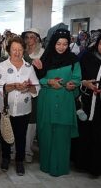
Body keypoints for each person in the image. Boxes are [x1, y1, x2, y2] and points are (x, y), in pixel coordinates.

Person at [36, 28, 81, 177]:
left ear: (69, 44)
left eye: (65, 44)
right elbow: (37, 79)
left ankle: (60, 167)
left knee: (62, 135)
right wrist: (48, 82)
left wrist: (72, 84)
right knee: (46, 134)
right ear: (53, 43)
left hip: (65, 101)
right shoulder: (45, 59)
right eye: (58, 44)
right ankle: (46, 165)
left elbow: (77, 78)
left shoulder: (74, 60)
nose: (61, 47)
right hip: (47, 101)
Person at [0, 36, 40, 176]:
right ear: (9, 50)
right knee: (5, 134)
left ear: (24, 51)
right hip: (5, 109)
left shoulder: (29, 67)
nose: (17, 52)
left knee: (21, 136)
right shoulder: (2, 66)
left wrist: (28, 88)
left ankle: (19, 161)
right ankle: (5, 158)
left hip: (23, 109)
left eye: (20, 49)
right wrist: (14, 86)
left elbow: (37, 87)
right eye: (14, 49)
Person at [72, 34, 101, 176]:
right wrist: (85, 83)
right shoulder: (88, 57)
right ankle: (82, 163)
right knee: (86, 132)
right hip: (88, 102)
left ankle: (96, 167)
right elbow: (78, 77)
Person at [21, 28, 45, 163]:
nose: (30, 40)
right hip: (20, 89)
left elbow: (43, 73)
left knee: (31, 121)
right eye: (27, 37)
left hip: (35, 91)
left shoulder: (43, 53)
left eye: (32, 37)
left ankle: (28, 151)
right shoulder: (21, 52)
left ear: (37, 38)